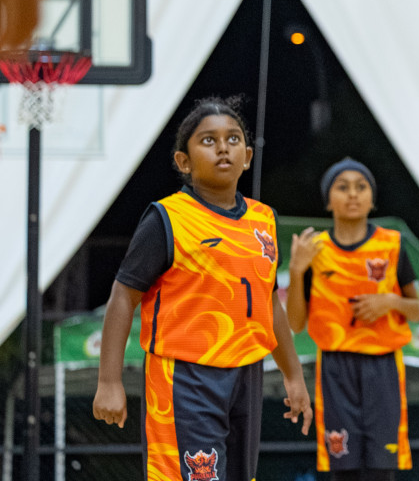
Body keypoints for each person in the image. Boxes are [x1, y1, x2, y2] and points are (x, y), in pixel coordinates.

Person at [92, 98, 312, 481]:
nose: (222, 146)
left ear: (246, 156)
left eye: (233, 139)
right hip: (185, 377)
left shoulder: (264, 220)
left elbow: (268, 303)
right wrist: (109, 381)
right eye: (208, 140)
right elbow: (123, 297)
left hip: (247, 373)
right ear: (183, 162)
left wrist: (293, 376)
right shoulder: (167, 218)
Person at [286, 158, 419, 480]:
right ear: (327, 199)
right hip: (335, 368)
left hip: (383, 367)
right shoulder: (315, 249)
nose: (352, 194)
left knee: (381, 467)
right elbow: (295, 323)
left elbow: (416, 310)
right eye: (342, 187)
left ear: (372, 199)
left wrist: (390, 302)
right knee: (342, 468)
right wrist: (296, 270)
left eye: (361, 187)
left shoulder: (392, 244)